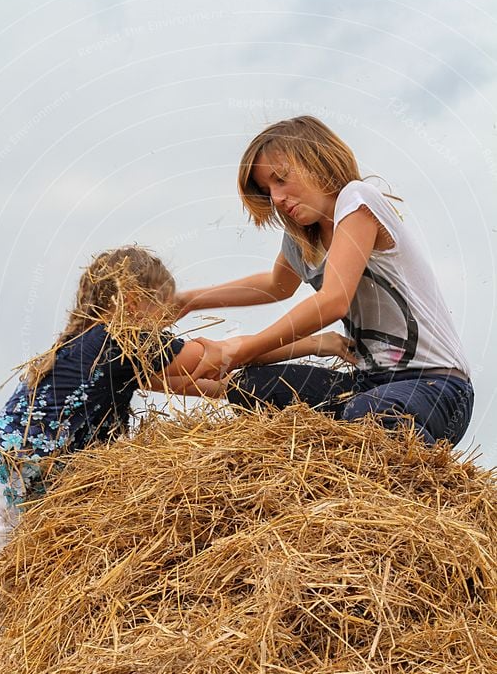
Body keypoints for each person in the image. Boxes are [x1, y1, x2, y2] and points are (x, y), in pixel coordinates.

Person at [0, 244, 350, 674]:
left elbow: (214, 385)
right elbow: (220, 358)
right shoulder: (116, 339)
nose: (169, 324)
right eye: (164, 309)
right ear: (131, 301)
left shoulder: (98, 354)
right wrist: (314, 342)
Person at [178, 115, 474, 446]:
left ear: (318, 162)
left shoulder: (358, 199)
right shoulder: (302, 239)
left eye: (282, 179)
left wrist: (243, 349)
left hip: (436, 386)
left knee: (372, 415)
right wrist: (189, 301)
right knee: (251, 385)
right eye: (267, 190)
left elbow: (333, 300)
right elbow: (274, 285)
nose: (276, 198)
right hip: (369, 384)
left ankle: (415, 483)